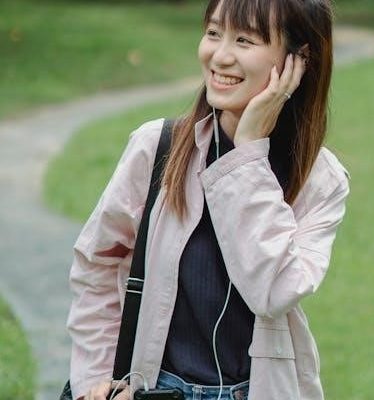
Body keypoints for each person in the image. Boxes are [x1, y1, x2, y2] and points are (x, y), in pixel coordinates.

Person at [66, 0, 350, 399]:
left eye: (244, 40)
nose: (220, 56)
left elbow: (274, 291)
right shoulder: (157, 148)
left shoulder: (321, 180)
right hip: (154, 388)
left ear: (299, 58)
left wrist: (247, 154)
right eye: (214, 33)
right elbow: (97, 263)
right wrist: (96, 375)